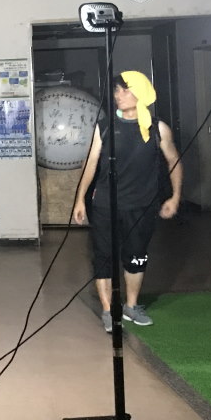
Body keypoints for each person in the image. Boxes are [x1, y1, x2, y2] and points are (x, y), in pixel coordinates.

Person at [73, 71, 182, 332]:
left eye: (124, 90)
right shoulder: (105, 127)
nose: (118, 95)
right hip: (105, 205)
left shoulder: (157, 128)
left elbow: (173, 161)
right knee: (103, 257)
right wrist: (79, 200)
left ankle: (131, 306)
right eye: (116, 91)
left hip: (142, 206)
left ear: (140, 93)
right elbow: (91, 163)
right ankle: (108, 310)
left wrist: (175, 196)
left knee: (136, 257)